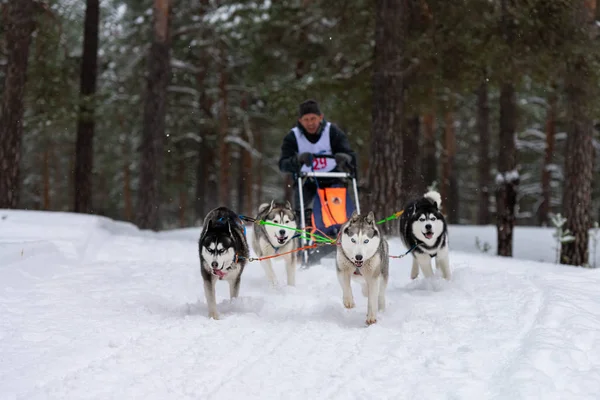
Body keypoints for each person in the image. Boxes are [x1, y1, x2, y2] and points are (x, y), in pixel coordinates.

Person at [278, 99, 357, 222]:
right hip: (306, 181)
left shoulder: (332, 132)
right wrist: (298, 160)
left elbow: (350, 155)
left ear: (321, 117)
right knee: (301, 212)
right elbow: (283, 164)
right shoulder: (293, 136)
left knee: (337, 214)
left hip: (333, 179)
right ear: (300, 121)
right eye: (306, 119)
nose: (310, 123)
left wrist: (344, 157)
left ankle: (336, 233)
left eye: (313, 118)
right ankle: (303, 233)